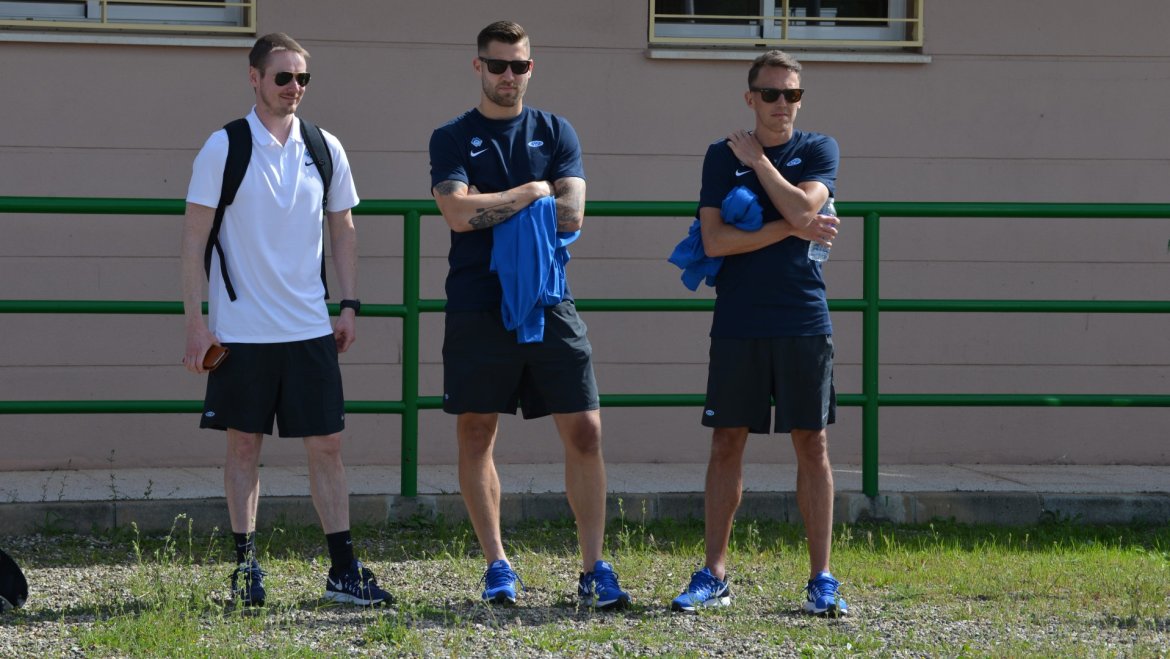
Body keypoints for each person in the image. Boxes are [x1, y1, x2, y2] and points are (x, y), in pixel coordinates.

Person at [179, 32, 390, 608]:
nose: (294, 87)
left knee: (328, 446)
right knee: (243, 447)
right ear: (254, 78)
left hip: (309, 329)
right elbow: (193, 241)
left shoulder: (324, 147)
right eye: (283, 77)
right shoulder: (224, 147)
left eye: (303, 78)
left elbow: (343, 229)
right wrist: (196, 324)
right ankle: (245, 569)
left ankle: (344, 571)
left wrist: (349, 304)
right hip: (241, 332)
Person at [428, 20, 630, 610]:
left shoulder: (556, 131)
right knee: (476, 431)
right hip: (477, 301)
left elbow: (572, 214)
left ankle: (594, 568)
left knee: (586, 430)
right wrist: (531, 193)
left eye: (519, 65)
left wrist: (498, 201)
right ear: (478, 67)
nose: (508, 76)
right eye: (497, 65)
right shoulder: (451, 137)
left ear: (530, 68)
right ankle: (497, 565)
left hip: (549, 298)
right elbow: (457, 214)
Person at [669, 50, 847, 616]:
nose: (781, 104)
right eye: (770, 94)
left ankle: (822, 579)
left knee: (812, 443)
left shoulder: (819, 149)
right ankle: (714, 574)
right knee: (726, 441)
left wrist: (761, 164)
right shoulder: (720, 156)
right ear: (750, 98)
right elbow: (716, 241)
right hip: (740, 319)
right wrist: (793, 227)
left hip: (802, 318)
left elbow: (805, 207)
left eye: (791, 94)